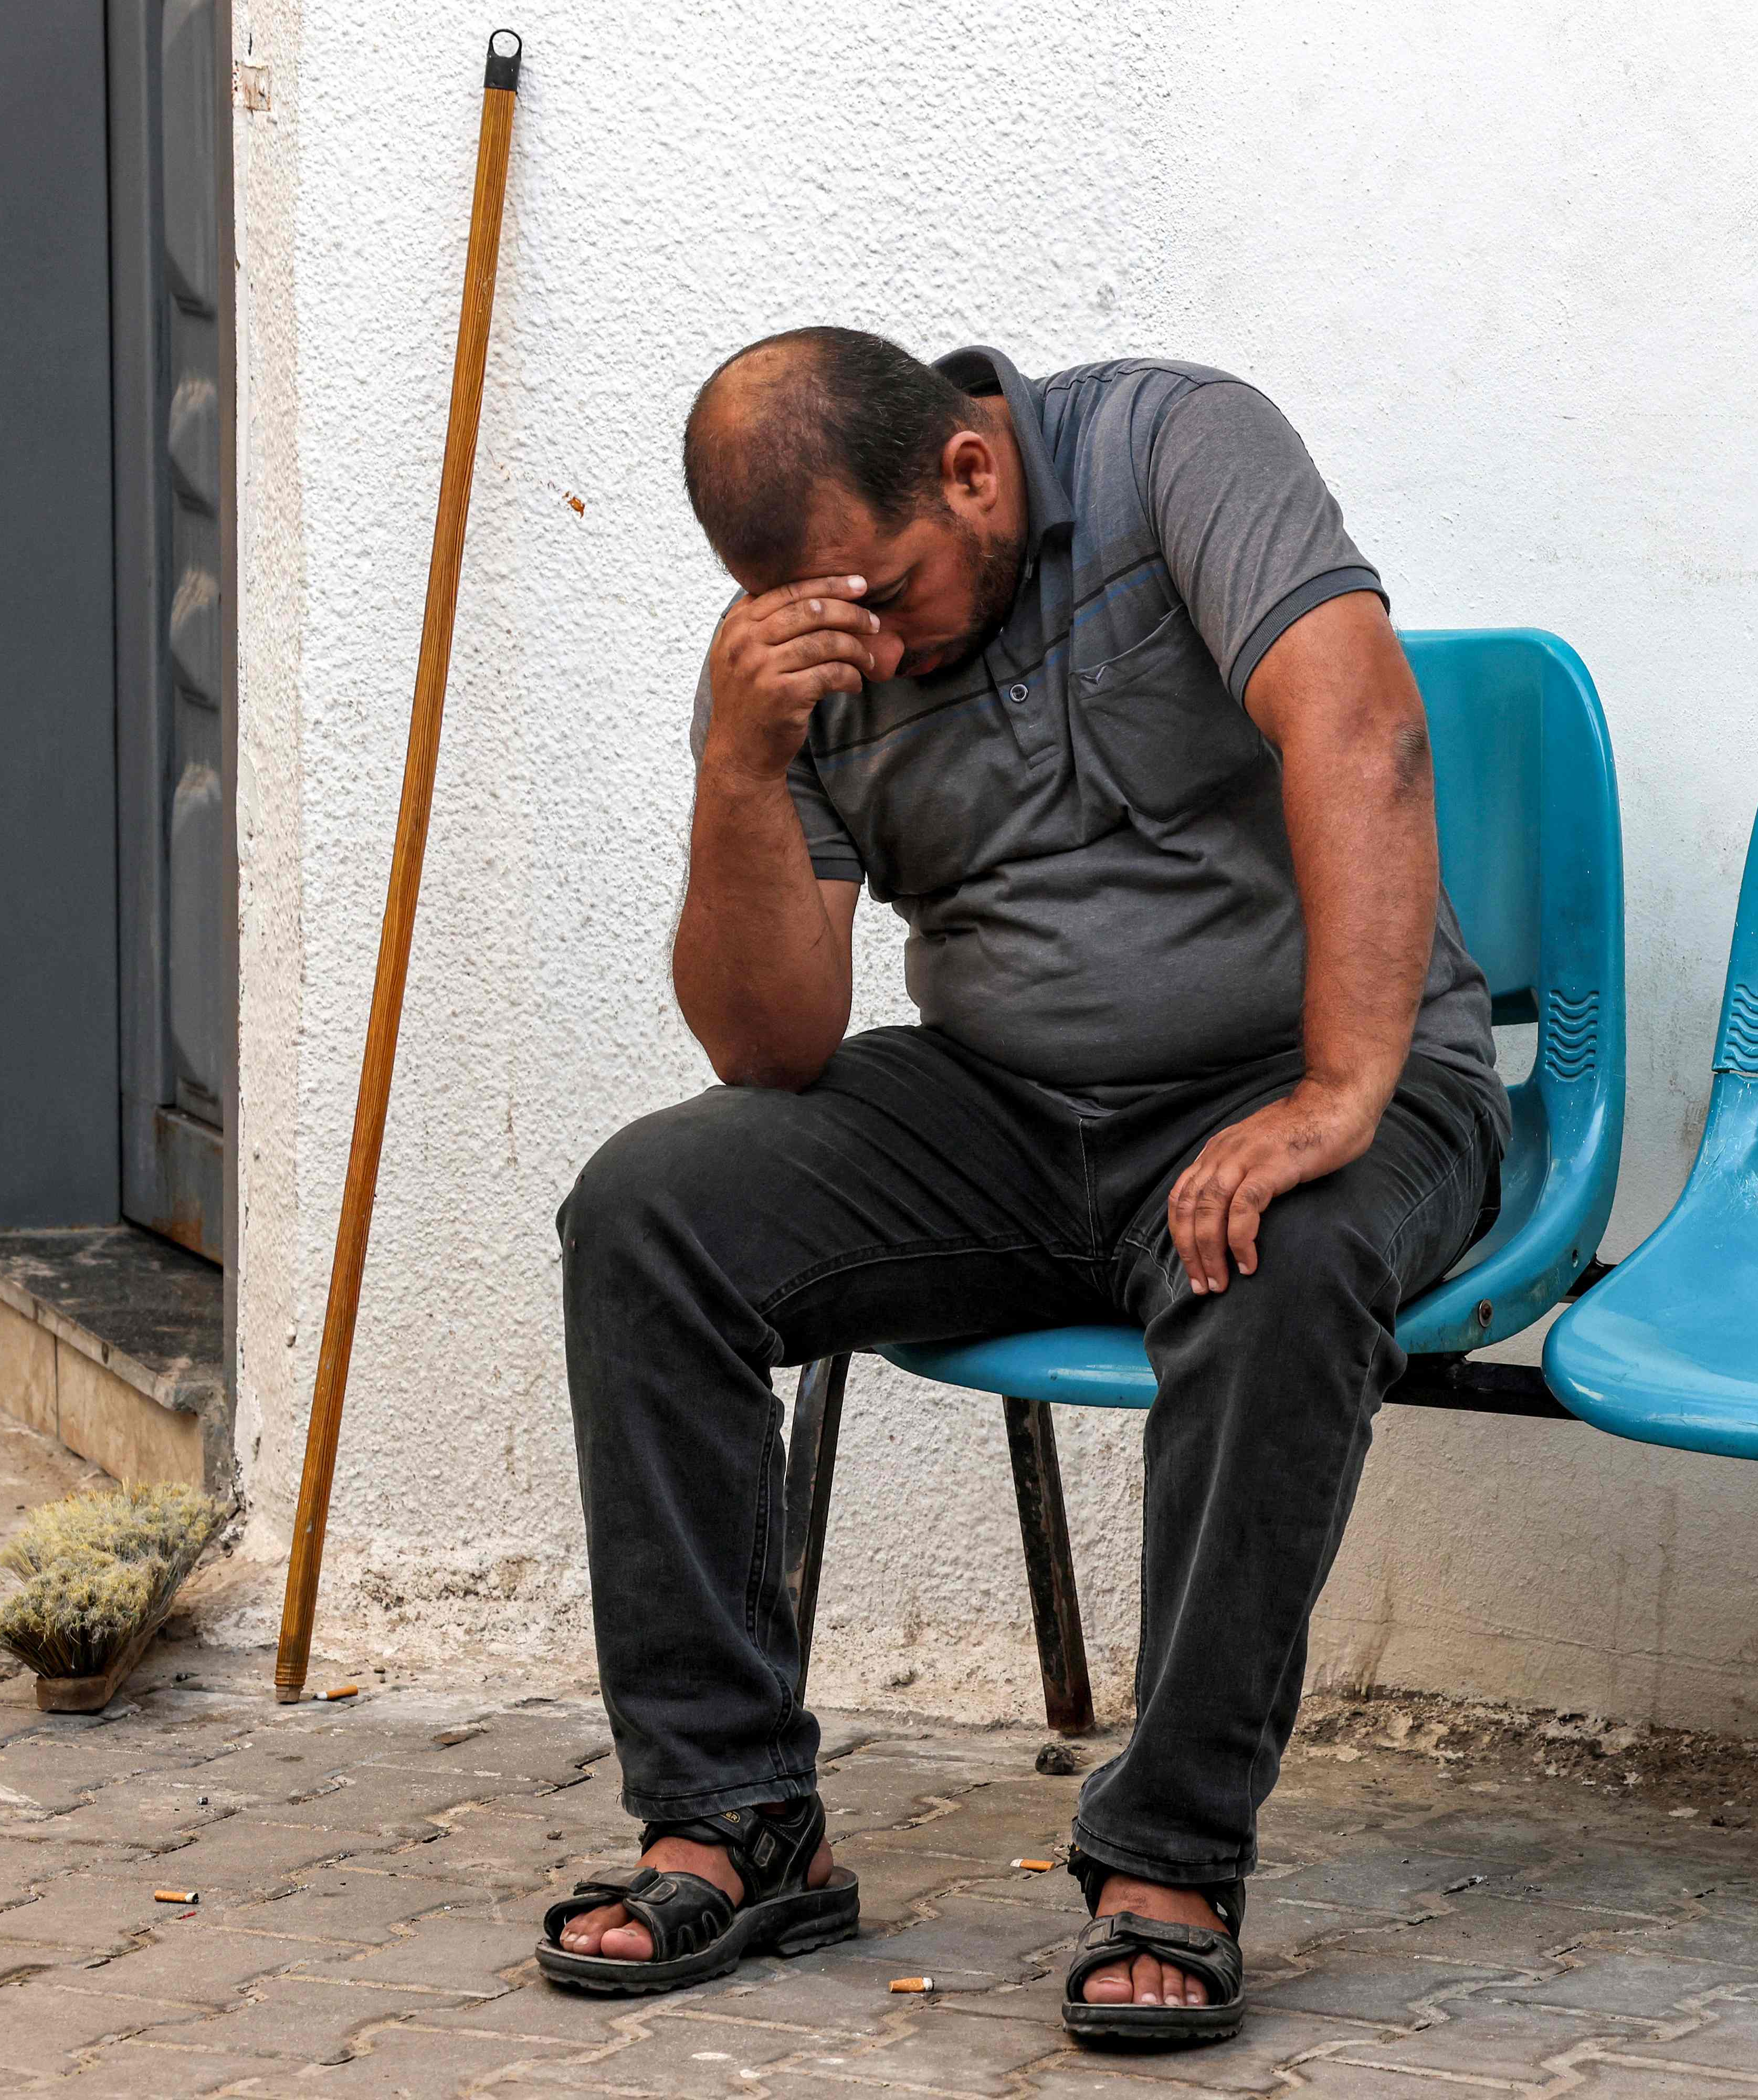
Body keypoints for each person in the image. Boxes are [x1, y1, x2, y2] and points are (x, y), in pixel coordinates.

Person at [533, 328, 1507, 2042]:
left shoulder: (1178, 449)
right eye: (832, 615)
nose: (877, 646)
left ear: (974, 472)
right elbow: (771, 1046)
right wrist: (741, 773)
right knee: (648, 1212)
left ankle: (1172, 1858)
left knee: (1277, 1262)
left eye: (895, 593)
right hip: (1006, 1110)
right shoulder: (799, 656)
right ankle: (736, 1819)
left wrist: (1341, 1087)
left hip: (1313, 1086)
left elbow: (1362, 730)